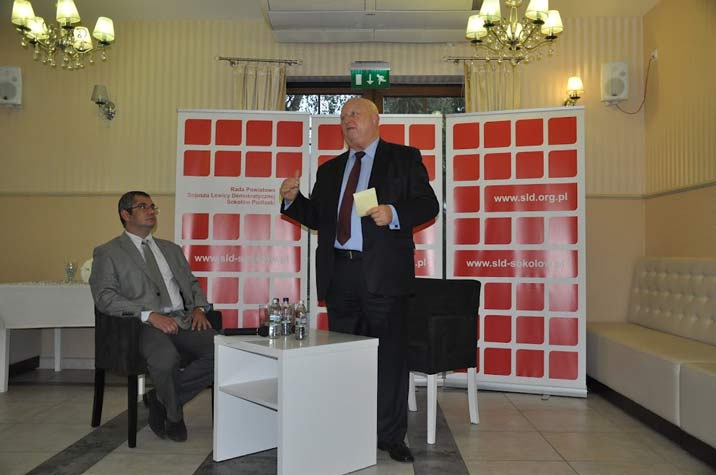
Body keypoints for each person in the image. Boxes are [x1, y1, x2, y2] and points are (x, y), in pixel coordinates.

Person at [279, 98, 439, 463]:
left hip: (385, 274)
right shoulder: (330, 169)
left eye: (354, 114)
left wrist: (394, 212)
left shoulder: (403, 158)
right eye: (342, 117)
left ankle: (390, 436)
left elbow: (428, 204)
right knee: (345, 359)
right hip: (340, 275)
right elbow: (318, 217)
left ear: (374, 119)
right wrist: (293, 200)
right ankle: (349, 429)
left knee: (390, 358)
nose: (347, 120)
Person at [90, 191, 216, 442]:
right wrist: (148, 315)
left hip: (182, 320)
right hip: (141, 326)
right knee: (165, 360)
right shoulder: (108, 252)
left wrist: (199, 308)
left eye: (152, 206)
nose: (151, 211)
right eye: (142, 206)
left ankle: (160, 399)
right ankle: (174, 415)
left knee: (224, 352)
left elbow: (191, 284)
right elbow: (105, 297)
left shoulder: (171, 249)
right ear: (125, 214)